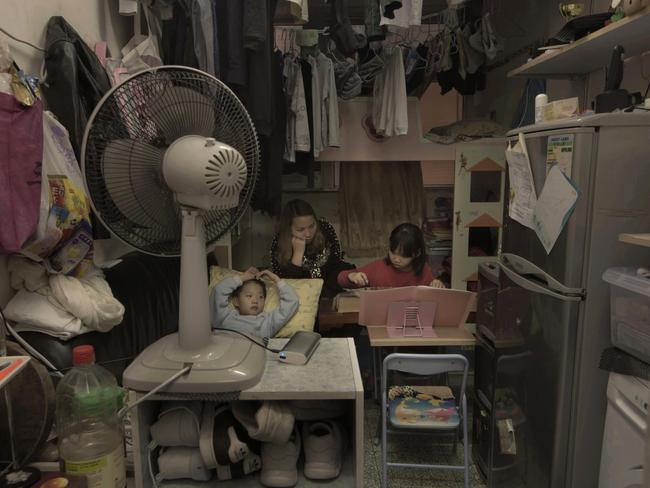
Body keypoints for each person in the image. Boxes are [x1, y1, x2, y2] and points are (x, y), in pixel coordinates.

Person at [270, 199, 354, 297]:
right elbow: (288, 286)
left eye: (311, 226)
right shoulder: (278, 244)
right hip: (301, 299)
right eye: (300, 229)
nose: (308, 234)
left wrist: (349, 276)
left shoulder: (325, 229)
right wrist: (298, 254)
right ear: (288, 229)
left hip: (329, 293)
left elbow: (335, 265)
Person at [337, 222, 445, 288]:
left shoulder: (424, 271)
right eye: (393, 252)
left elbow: (433, 298)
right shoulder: (378, 268)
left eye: (404, 256)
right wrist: (351, 276)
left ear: (417, 253)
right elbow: (340, 278)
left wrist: (437, 285)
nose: (396, 259)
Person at [210, 267, 299, 339]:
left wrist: (276, 279)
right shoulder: (223, 317)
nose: (255, 301)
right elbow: (218, 292)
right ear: (236, 301)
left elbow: (291, 302)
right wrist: (241, 278)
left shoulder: (267, 322)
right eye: (249, 296)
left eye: (260, 297)